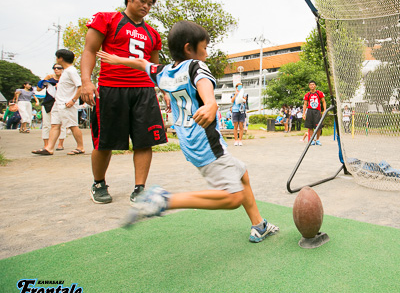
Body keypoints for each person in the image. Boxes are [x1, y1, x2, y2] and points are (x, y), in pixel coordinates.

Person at [97, 20, 279, 243]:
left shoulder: (163, 72)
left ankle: (258, 225)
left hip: (189, 143)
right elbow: (203, 84)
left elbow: (140, 63)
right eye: (204, 47)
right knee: (232, 198)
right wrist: (211, 103)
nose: (206, 52)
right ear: (188, 48)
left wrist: (116, 60)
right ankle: (165, 200)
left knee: (242, 175)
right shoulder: (195, 66)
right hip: (208, 145)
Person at [80, 0, 168, 204]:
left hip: (144, 91)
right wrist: (86, 82)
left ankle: (140, 188)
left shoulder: (153, 34)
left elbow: (154, 67)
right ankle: (98, 183)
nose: (146, 6)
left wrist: (165, 90)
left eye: (150, 4)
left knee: (144, 141)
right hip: (111, 88)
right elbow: (90, 50)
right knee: (105, 141)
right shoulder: (107, 19)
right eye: (142, 1)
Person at [32, 50, 85, 156]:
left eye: (57, 57)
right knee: (55, 125)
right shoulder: (65, 71)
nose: (56, 60)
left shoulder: (71, 71)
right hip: (58, 102)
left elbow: (80, 86)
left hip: (67, 104)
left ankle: (80, 147)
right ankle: (49, 148)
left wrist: (73, 100)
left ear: (61, 58)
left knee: (72, 125)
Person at [37, 64, 67, 150]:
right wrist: (45, 79)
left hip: (61, 103)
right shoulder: (49, 79)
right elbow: (39, 89)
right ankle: (46, 144)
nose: (56, 69)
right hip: (48, 103)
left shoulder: (65, 79)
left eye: (59, 68)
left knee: (62, 124)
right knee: (46, 124)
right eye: (54, 68)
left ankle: (60, 144)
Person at [303, 81, 326, 145]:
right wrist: (303, 113)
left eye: (313, 85)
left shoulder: (319, 93)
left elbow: (323, 101)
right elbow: (305, 104)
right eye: (310, 85)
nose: (312, 86)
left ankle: (318, 139)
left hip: (317, 111)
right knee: (310, 126)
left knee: (318, 126)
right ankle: (312, 140)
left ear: (315, 85)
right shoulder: (307, 94)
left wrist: (324, 110)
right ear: (309, 86)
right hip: (310, 111)